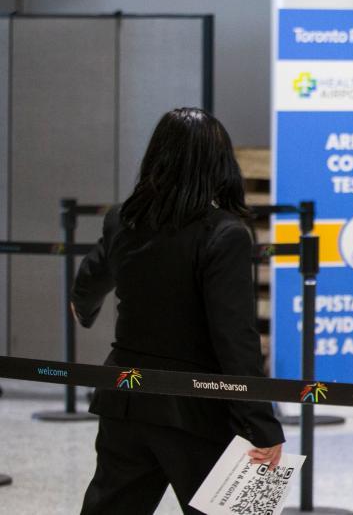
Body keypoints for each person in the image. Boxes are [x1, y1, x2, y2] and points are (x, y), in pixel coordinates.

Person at [73, 108, 285, 514]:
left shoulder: (125, 218)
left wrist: (83, 307)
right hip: (197, 409)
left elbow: (90, 279)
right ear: (219, 164)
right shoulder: (225, 234)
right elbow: (235, 339)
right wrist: (261, 423)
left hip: (125, 398)